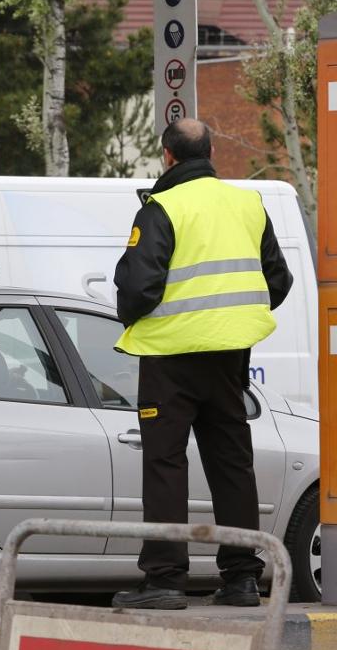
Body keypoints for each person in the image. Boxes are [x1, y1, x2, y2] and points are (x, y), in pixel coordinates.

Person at [111, 118, 293, 610]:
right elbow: (278, 280)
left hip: (170, 357)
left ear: (167, 157)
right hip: (229, 357)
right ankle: (241, 580)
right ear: (210, 153)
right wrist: (231, 319)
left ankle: (165, 581)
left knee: (166, 463)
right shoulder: (247, 204)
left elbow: (136, 290)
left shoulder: (162, 207)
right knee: (232, 463)